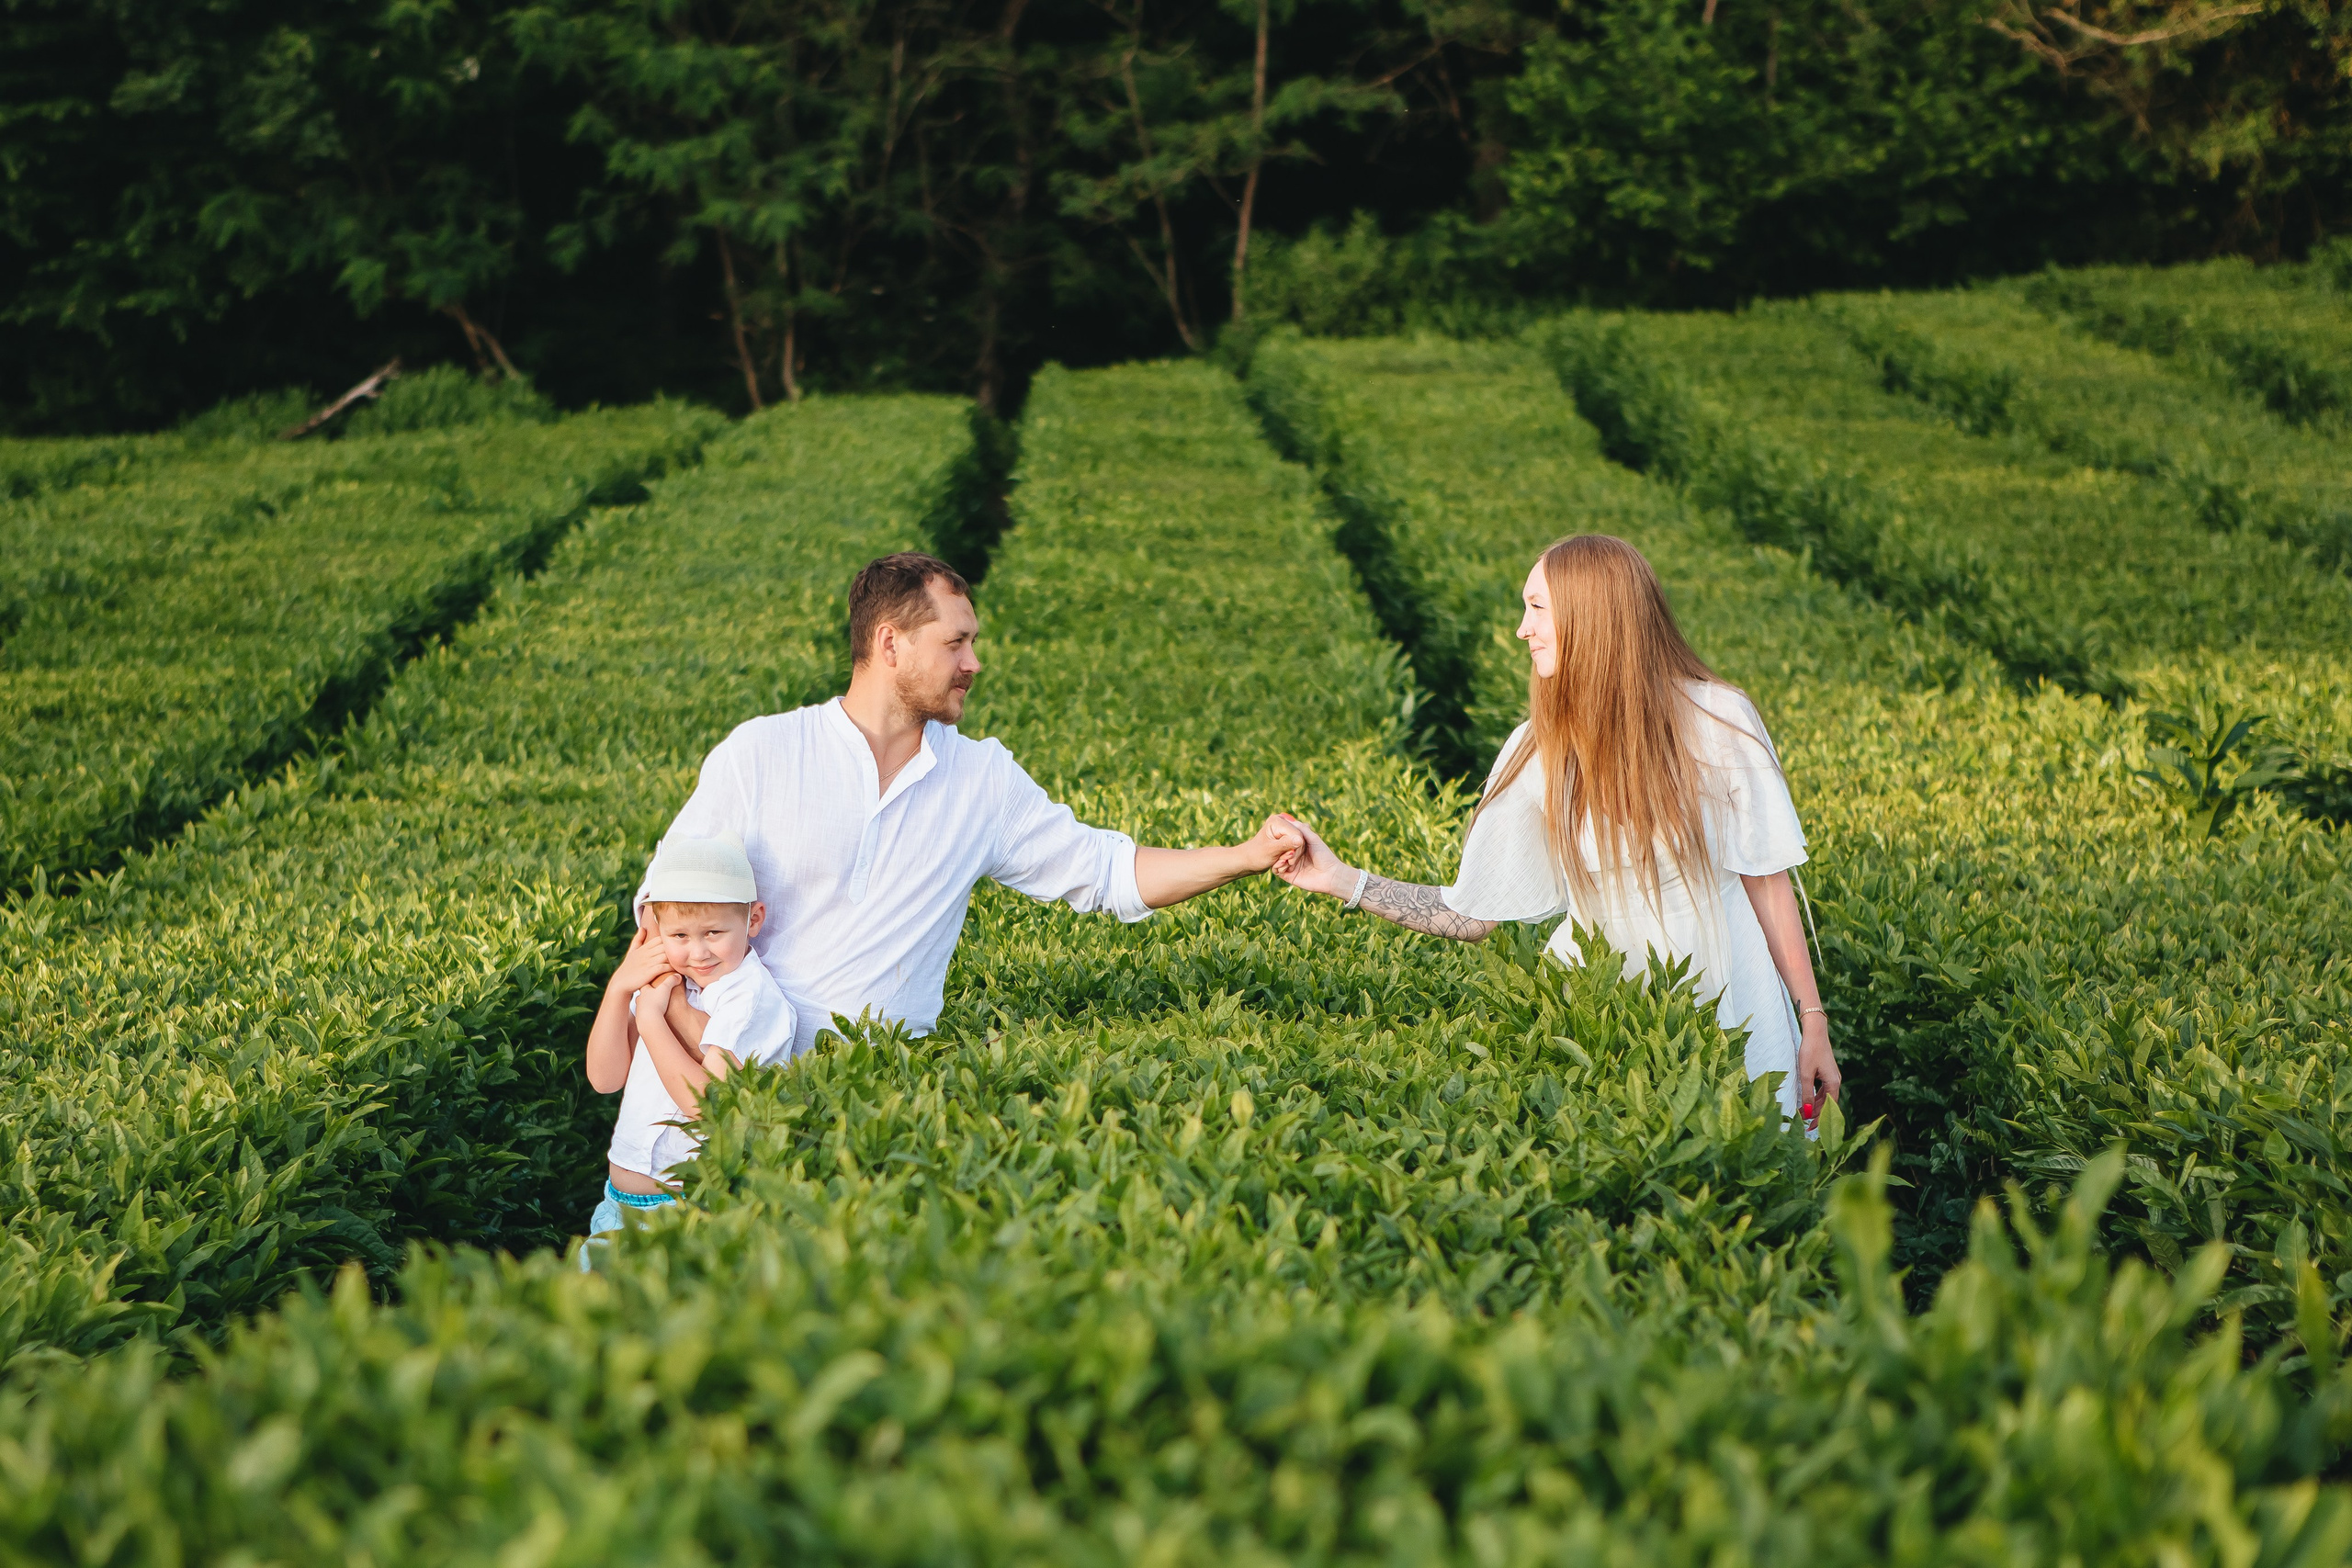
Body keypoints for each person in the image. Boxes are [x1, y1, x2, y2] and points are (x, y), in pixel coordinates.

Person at [636, 550, 1300, 1061]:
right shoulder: (760, 753)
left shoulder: (983, 778)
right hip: (714, 1101)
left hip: (868, 1113)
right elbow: (661, 920)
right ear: (889, 644)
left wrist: (1246, 856)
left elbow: (1106, 873)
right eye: (955, 643)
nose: (974, 661)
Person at [1272, 535, 1841, 1120]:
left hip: (1732, 991)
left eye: (1537, 607)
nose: (1522, 629)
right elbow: (1473, 914)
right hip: (1596, 1004)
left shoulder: (1720, 719)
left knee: (1752, 1167)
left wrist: (1812, 1020)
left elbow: (1766, 882)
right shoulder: (1536, 751)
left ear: (1591, 614)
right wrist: (1341, 879)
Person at [581, 835, 797, 1265]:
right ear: (655, 930)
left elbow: (709, 1103)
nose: (697, 952)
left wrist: (651, 1021)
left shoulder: (749, 998)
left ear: (753, 919)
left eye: (714, 933)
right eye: (679, 934)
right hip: (615, 1206)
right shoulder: (664, 979)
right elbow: (604, 1079)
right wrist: (621, 986)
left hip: (687, 1212)